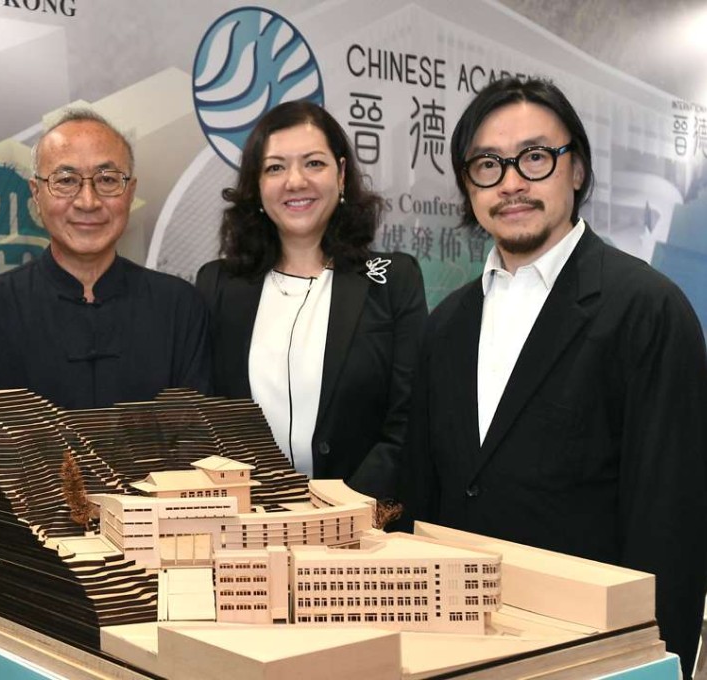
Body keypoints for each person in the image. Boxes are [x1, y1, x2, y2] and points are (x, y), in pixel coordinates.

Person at [399, 77, 707, 678]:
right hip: (458, 647)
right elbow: (424, 496)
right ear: (468, 186)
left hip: (591, 651)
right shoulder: (446, 325)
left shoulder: (647, 310)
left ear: (578, 170)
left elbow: (671, 521)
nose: (511, 182)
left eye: (535, 157)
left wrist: (652, 664)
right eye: (488, 164)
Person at [196, 101, 427, 501]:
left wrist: (342, 510)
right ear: (256, 185)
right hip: (245, 523)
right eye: (275, 168)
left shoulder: (393, 280)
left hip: (361, 522)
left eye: (314, 163)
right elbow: (202, 420)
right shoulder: (217, 284)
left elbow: (408, 421)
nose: (295, 181)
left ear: (341, 174)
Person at [0, 109, 211, 409]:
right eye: (66, 180)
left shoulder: (179, 307)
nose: (88, 201)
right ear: (36, 193)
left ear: (130, 191)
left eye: (107, 179)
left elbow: (196, 431)